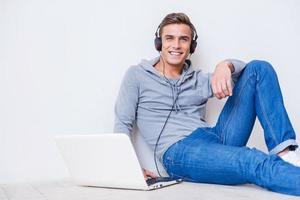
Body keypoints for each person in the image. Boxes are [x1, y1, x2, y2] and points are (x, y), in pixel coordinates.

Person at [114, 12, 300, 196]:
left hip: (214, 137)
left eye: (184, 39)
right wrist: (128, 169)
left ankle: (285, 153)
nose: (176, 45)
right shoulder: (137, 75)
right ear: (159, 43)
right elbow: (123, 123)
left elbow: (249, 73)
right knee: (252, 159)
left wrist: (225, 65)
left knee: (259, 68)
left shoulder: (198, 80)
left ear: (191, 46)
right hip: (179, 151)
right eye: (169, 38)